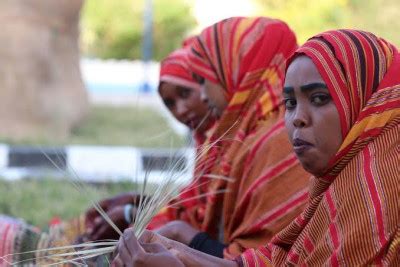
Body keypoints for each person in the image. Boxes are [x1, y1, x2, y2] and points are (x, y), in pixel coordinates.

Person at [112, 29, 400, 266]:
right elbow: (274, 261)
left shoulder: (383, 183)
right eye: (289, 103)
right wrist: (179, 250)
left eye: (320, 98)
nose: (297, 118)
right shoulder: (336, 183)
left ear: (367, 102)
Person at [144, 16, 309, 259]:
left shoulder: (278, 139)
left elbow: (264, 257)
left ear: (234, 70)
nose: (202, 95)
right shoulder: (248, 136)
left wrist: (188, 239)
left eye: (202, 80)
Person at [84, 39, 215, 241]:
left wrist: (130, 214)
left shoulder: (237, 147)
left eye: (186, 93)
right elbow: (192, 212)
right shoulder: (207, 146)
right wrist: (135, 201)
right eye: (169, 103)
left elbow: (210, 235)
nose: (180, 110)